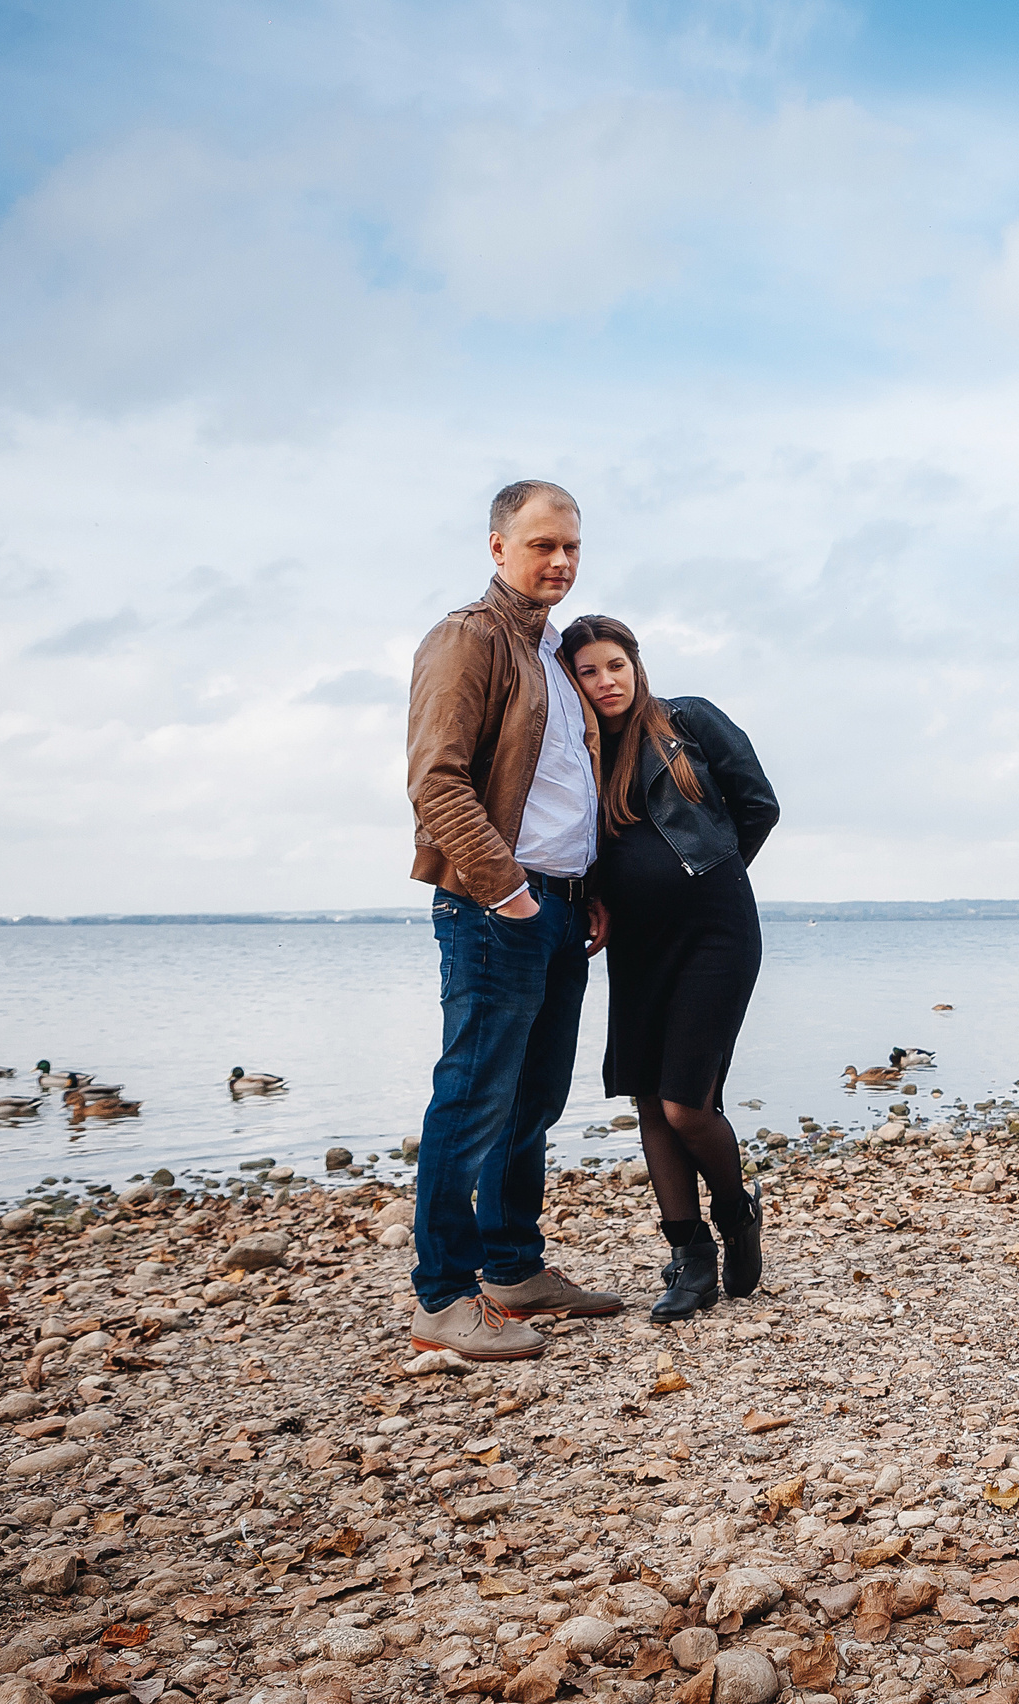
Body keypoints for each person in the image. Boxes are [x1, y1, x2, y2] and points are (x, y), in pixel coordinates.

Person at [404, 479, 625, 1361]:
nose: (560, 561)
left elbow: (564, 786)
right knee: (472, 1097)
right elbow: (437, 780)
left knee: (533, 1099)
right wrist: (510, 891)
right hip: (496, 906)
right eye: (542, 545)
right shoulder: (470, 638)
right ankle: (441, 1298)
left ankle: (513, 1269)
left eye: (571, 546)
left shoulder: (555, 653)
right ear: (498, 547)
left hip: (560, 904)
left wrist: (583, 886)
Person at [560, 614, 780, 1320]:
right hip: (637, 943)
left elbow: (759, 804)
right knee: (650, 1100)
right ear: (572, 681)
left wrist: (712, 877)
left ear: (636, 665)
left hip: (716, 933)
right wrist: (598, 897)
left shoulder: (688, 720)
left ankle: (736, 1213)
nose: (606, 681)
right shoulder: (575, 753)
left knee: (688, 1103)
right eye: (588, 671)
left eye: (615, 665)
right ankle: (689, 1256)